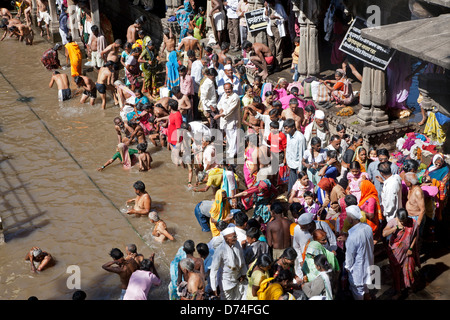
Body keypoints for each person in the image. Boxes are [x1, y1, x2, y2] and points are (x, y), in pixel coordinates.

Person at [382, 208, 420, 299]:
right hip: (395, 254)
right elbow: (384, 233)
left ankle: (409, 288)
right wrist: (396, 228)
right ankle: (398, 291)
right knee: (396, 273)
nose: (403, 223)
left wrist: (411, 248)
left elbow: (415, 236)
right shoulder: (393, 222)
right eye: (401, 221)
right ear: (397, 217)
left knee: (409, 270)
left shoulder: (412, 222)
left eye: (405, 221)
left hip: (408, 253)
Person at [341, 205, 374, 300]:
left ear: (351, 219)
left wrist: (347, 267)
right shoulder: (367, 228)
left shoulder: (352, 237)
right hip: (369, 266)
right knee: (366, 290)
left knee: (359, 293)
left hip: (358, 271)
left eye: (348, 217)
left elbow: (350, 257)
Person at [210, 226, 248, 300]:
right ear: (226, 239)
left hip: (238, 277)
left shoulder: (236, 244)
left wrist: (243, 274)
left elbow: (241, 259)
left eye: (236, 236)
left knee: (238, 297)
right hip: (226, 281)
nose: (236, 238)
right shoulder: (220, 250)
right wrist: (214, 288)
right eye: (233, 237)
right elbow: (214, 270)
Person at [215, 82, 241, 160]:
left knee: (233, 136)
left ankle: (233, 153)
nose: (227, 91)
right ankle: (230, 150)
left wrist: (219, 115)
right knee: (229, 136)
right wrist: (220, 109)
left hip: (232, 120)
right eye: (226, 89)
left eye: (229, 89)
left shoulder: (235, 97)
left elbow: (230, 110)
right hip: (225, 120)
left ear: (232, 88)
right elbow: (219, 104)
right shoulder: (224, 95)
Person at [423, 153, 449, 221]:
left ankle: (434, 223)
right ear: (433, 161)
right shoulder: (430, 167)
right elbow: (425, 175)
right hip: (428, 190)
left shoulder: (445, 170)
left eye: (439, 164)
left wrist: (432, 180)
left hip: (436, 193)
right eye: (436, 164)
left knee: (435, 208)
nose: (437, 166)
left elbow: (444, 184)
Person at [284, 118, 306, 195]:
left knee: (299, 187)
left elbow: (301, 154)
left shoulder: (300, 138)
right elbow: (288, 149)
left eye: (287, 128)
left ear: (293, 127)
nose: (285, 130)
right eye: (285, 129)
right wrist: (287, 161)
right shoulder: (288, 135)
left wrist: (300, 169)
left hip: (297, 167)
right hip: (291, 164)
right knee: (291, 186)